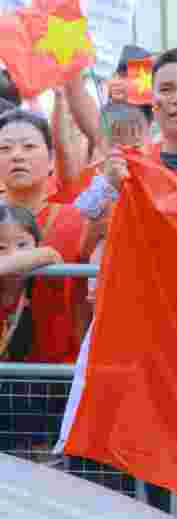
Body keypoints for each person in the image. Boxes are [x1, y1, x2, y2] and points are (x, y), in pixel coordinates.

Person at [0, 110, 94, 364]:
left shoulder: (78, 220)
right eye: (5, 148)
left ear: (52, 159)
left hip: (59, 372)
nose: (17, 155)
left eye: (29, 146)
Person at [0, 205, 61, 361]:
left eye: (22, 245)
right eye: (1, 247)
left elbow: (51, 254)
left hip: (39, 378)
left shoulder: (46, 274)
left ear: (37, 244)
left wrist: (6, 265)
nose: (13, 253)